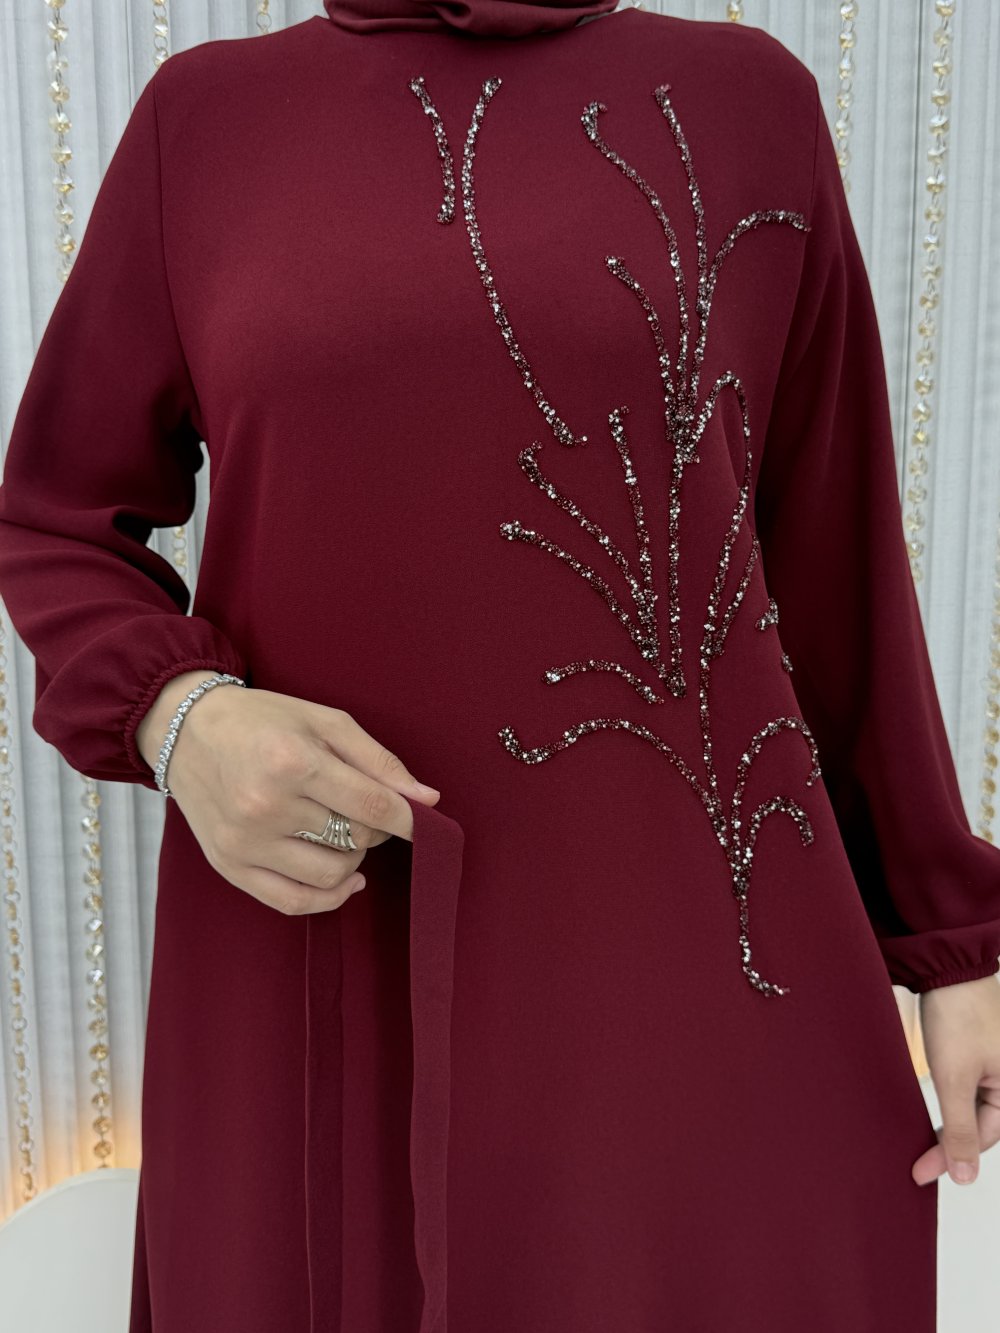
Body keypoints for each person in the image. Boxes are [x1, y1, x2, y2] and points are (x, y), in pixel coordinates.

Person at [0, 1, 998, 1329]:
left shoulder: (748, 101)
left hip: (688, 973)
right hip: (318, 938)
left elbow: (836, 559)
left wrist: (952, 938)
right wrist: (180, 717)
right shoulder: (205, 123)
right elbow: (54, 516)